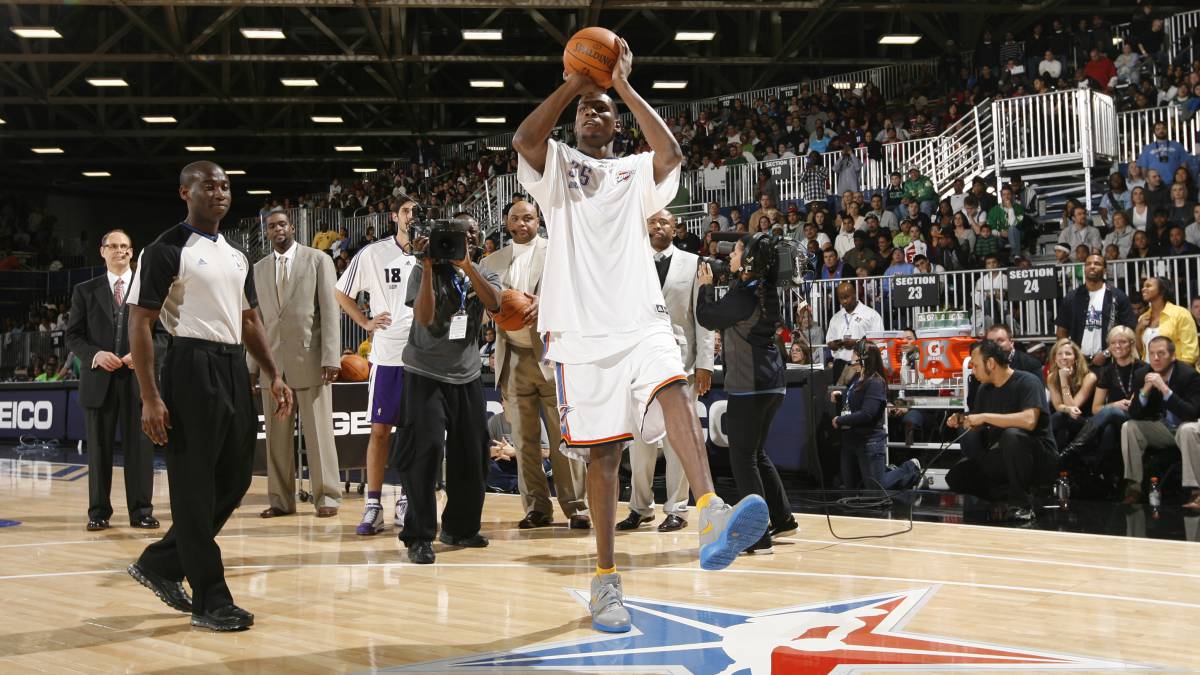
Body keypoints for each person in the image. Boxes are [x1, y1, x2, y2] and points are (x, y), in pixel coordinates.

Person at [512, 40, 769, 634]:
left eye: (603, 109)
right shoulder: (556, 168)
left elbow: (671, 150)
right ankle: (606, 580)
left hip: (641, 320)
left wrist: (621, 85)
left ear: (617, 120)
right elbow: (525, 140)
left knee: (676, 387)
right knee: (603, 457)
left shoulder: (632, 172)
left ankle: (710, 512)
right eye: (586, 109)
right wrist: (577, 82)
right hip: (580, 335)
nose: (592, 114)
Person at [126, 161, 294, 632]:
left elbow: (249, 321)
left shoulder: (237, 254)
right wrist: (150, 396)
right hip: (189, 366)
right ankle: (210, 599)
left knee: (236, 479)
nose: (219, 193)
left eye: (224, 186)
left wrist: (273, 373)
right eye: (208, 186)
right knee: (194, 488)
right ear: (185, 192)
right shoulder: (165, 249)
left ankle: (161, 562)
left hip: (231, 366)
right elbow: (140, 322)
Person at [479, 200, 589, 530]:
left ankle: (576, 506)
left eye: (528, 217)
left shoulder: (558, 252)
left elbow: (577, 294)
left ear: (538, 219)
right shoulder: (491, 262)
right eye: (516, 218)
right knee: (524, 440)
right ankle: (536, 508)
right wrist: (496, 310)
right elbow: (488, 307)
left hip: (552, 355)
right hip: (513, 357)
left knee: (564, 438)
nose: (522, 222)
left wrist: (548, 302)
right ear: (507, 223)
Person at [397, 217, 502, 564]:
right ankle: (419, 535)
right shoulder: (421, 269)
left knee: (472, 454)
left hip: (467, 373)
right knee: (424, 454)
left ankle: (460, 528)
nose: (466, 237)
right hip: (425, 372)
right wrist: (427, 267)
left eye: (472, 233)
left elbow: (496, 305)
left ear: (478, 238)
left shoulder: (484, 272)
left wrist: (468, 267)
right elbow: (424, 318)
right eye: (458, 234)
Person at [697, 234, 797, 555]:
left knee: (742, 457)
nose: (730, 254)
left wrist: (706, 286)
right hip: (771, 384)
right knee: (756, 453)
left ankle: (757, 536)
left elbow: (708, 316)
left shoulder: (746, 296)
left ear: (750, 259)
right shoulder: (760, 290)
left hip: (750, 386)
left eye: (737, 251)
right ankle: (782, 517)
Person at [618, 209, 715, 533]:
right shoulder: (630, 260)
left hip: (680, 363)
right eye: (653, 221)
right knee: (640, 442)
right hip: (638, 364)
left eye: (665, 222)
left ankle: (677, 508)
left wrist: (704, 363)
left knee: (678, 442)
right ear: (644, 226)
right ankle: (640, 507)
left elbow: (703, 316)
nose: (659, 226)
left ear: (676, 229)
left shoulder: (692, 262)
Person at [66, 229, 164, 532]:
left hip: (139, 381)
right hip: (99, 380)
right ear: (102, 251)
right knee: (99, 452)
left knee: (141, 450)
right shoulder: (85, 290)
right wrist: (95, 355)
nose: (119, 250)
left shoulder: (149, 287)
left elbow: (163, 336)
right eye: (113, 246)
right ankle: (98, 512)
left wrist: (143, 355)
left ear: (132, 252)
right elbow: (73, 336)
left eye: (125, 246)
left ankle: (141, 511)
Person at [251, 209, 343, 519]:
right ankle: (280, 500)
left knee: (319, 434)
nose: (277, 230)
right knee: (276, 439)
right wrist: (253, 365)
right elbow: (257, 321)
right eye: (271, 226)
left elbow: (330, 311)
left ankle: (327, 496)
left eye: (281, 224)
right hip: (272, 365)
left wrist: (331, 356)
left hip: (311, 359)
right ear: (267, 232)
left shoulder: (318, 260)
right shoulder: (259, 268)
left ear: (292, 227)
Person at [336, 196, 419, 536]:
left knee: (415, 432)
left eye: (417, 211)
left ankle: (407, 497)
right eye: (406, 210)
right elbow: (342, 292)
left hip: (424, 356)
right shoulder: (372, 253)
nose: (411, 216)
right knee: (380, 430)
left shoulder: (432, 252)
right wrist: (365, 322)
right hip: (387, 355)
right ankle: (373, 504)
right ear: (393, 216)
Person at [946, 339, 1057, 522]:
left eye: (975, 366)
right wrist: (962, 419)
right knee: (958, 476)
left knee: (1012, 435)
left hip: (1037, 456)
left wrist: (985, 417)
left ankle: (1022, 503)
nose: (973, 371)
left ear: (990, 363)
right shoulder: (984, 389)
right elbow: (978, 423)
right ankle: (1008, 496)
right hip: (1004, 454)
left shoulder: (1028, 381)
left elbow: (1029, 420)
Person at [1120, 335, 1200, 503]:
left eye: (1161, 353)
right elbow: (1133, 414)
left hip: (1189, 427)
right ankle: (1134, 487)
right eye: (1152, 354)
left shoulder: (1189, 375)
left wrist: (1164, 389)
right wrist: (1144, 392)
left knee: (1187, 430)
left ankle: (1196, 491)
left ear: (1173, 356)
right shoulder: (1143, 374)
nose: (1156, 358)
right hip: (1163, 428)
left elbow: (1191, 413)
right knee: (1129, 426)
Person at [831, 343, 921, 492]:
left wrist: (840, 420)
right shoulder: (857, 378)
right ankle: (887, 471)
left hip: (869, 441)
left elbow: (867, 413)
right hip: (851, 439)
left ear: (863, 358)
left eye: (854, 354)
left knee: (876, 488)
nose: (851, 357)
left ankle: (910, 468)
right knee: (851, 487)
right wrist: (841, 395)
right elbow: (855, 399)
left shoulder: (875, 382)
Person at [1060, 326, 1143, 481]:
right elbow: (1096, 408)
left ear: (1131, 344)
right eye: (1113, 343)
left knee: (1111, 414)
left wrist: (1115, 407)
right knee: (1109, 429)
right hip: (1114, 419)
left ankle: (1073, 450)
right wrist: (1114, 404)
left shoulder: (1143, 368)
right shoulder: (1107, 371)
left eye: (1122, 342)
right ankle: (1101, 474)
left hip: (1137, 418)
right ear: (1109, 346)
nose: (1117, 346)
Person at [1054, 254, 1137, 364]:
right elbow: (1061, 332)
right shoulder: (1072, 297)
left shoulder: (1117, 296)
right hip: (1079, 362)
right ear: (1084, 269)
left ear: (1105, 270)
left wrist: (1107, 353)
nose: (1092, 266)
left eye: (1097, 264)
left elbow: (1129, 332)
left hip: (1110, 362)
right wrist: (1072, 353)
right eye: (1088, 264)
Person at [825, 281, 884, 382]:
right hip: (840, 365)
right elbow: (829, 341)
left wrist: (857, 343)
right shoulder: (835, 318)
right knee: (838, 396)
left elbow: (879, 342)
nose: (844, 301)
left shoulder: (871, 315)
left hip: (862, 365)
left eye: (847, 297)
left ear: (854, 294)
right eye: (841, 298)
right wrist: (835, 344)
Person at [1045, 339, 1097, 451]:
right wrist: (1066, 409)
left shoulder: (1089, 377)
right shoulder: (1052, 377)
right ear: (1055, 359)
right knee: (1061, 422)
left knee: (1061, 417)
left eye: (1068, 354)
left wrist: (1064, 381)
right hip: (1064, 418)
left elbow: (1074, 408)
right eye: (1059, 354)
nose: (1063, 357)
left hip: (1085, 421)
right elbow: (1058, 405)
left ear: (1076, 358)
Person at [1136, 276, 1199, 365]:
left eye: (1148, 286)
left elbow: (1190, 352)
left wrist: (1178, 376)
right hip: (1149, 373)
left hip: (1175, 373)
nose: (1143, 289)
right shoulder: (1143, 317)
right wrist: (1138, 330)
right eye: (1143, 286)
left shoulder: (1180, 314)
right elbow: (1141, 351)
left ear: (1162, 290)